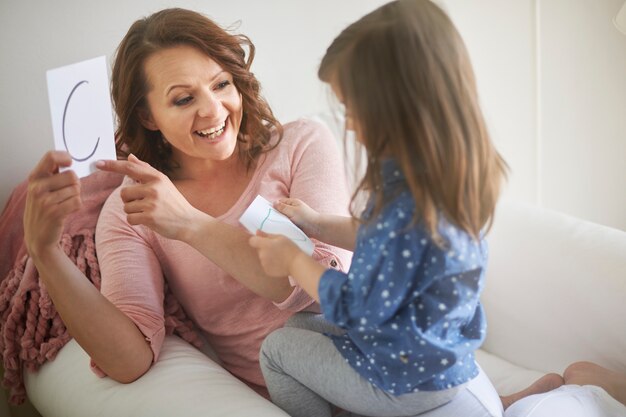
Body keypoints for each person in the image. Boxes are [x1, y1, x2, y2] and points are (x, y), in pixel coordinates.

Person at [22, 7, 350, 398]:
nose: (212, 109)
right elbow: (130, 361)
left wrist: (191, 225)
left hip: (377, 361)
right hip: (285, 396)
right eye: (182, 99)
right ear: (147, 116)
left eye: (222, 84)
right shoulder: (134, 210)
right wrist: (45, 253)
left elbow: (323, 289)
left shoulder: (300, 144)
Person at [248, 1, 509, 416]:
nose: (349, 124)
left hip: (405, 381)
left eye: (352, 111)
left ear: (398, 107)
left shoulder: (410, 205)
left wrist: (294, 262)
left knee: (277, 350)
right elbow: (379, 239)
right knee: (299, 326)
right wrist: (314, 222)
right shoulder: (438, 180)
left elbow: (357, 307)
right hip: (434, 356)